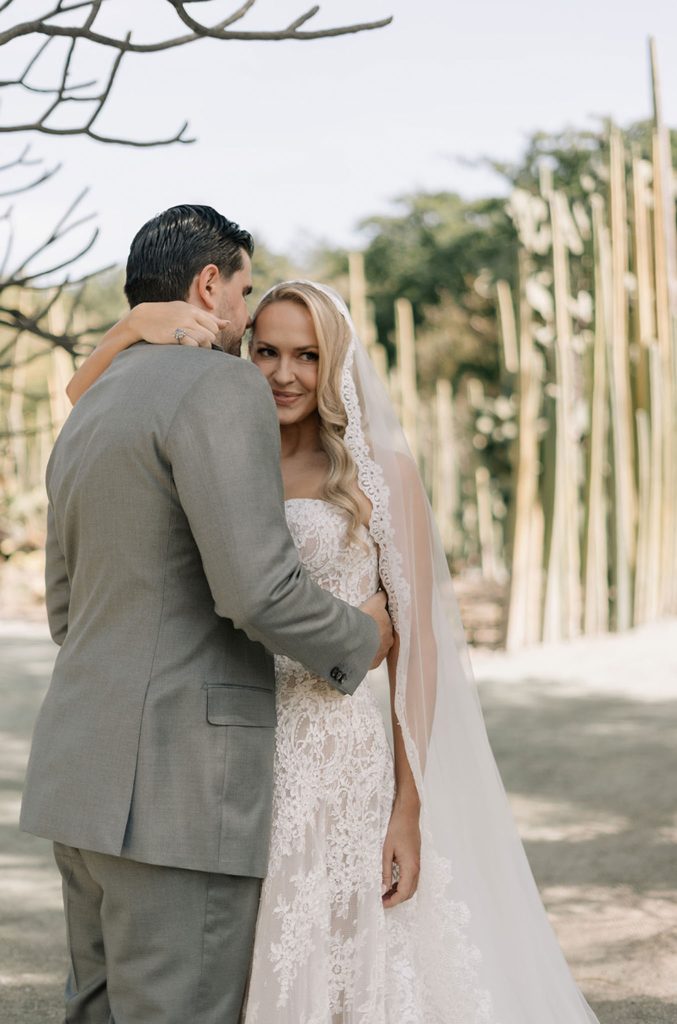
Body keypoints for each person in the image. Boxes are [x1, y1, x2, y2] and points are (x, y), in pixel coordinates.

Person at [67, 279, 602, 1023]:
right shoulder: (224, 457)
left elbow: (418, 654)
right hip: (241, 751)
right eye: (266, 352)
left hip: (342, 757)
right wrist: (130, 329)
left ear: (335, 363)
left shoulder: (381, 477)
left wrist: (406, 809)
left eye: (307, 355)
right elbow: (90, 403)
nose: (284, 373)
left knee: (353, 962)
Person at [20, 206, 393, 1024]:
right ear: (208, 284)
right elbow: (257, 589)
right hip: (180, 793)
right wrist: (362, 636)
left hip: (82, 780)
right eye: (246, 294)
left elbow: (63, 609)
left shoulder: (91, 401)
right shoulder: (221, 386)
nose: (247, 328)